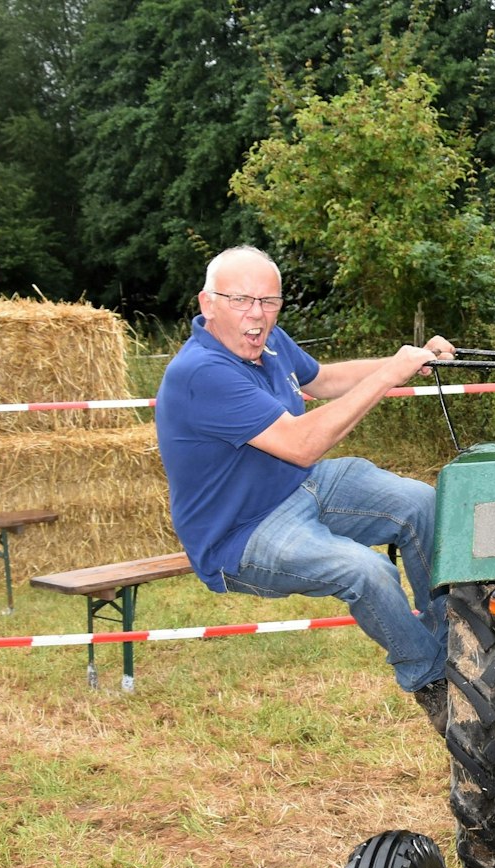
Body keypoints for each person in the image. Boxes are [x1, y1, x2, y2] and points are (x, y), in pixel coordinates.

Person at [155, 246, 455, 733]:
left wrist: (409, 358)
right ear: (207, 304)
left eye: (269, 301)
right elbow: (301, 444)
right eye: (241, 300)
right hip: (241, 533)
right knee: (367, 572)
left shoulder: (267, 340)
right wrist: (389, 375)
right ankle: (433, 679)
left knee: (420, 502)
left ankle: (457, 642)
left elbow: (323, 380)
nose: (257, 314)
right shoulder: (201, 373)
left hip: (300, 487)